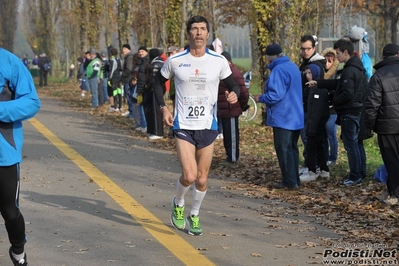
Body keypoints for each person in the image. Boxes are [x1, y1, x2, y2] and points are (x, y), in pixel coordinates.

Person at [153, 15, 239, 236]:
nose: (199, 33)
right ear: (189, 33)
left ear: (208, 34)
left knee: (202, 178)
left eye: (202, 29)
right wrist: (163, 107)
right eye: (194, 29)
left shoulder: (218, 61)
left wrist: (234, 95)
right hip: (183, 125)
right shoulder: (176, 60)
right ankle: (179, 203)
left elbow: (234, 85)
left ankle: (195, 213)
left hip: (208, 125)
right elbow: (157, 82)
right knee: (189, 176)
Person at [307, 38, 368, 186]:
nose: (337, 57)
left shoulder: (349, 70)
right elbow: (338, 83)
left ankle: (354, 176)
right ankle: (361, 172)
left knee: (350, 145)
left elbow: (347, 93)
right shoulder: (358, 68)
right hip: (358, 110)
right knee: (357, 143)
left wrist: (333, 101)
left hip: (349, 112)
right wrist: (320, 83)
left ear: (346, 52)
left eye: (338, 53)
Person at [0, 47, 41, 266]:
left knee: (9, 211)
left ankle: (18, 251)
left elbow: (31, 102)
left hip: (3, 153)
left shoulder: (7, 61)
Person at [254, 44, 303, 189]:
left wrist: (261, 98)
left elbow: (276, 95)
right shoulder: (293, 66)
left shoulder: (278, 70)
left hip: (283, 117)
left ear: (269, 59)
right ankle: (295, 179)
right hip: (296, 116)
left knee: (283, 150)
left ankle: (289, 181)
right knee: (292, 149)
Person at [364, 43, 399, 205]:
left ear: (383, 57)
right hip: (390, 125)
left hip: (387, 126)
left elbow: (371, 105)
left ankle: (395, 194)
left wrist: (367, 127)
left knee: (391, 161)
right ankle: (391, 190)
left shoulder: (378, 76)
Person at [298, 35, 326, 175]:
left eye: (308, 48)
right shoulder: (304, 63)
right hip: (305, 105)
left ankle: (313, 167)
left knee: (311, 139)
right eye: (303, 49)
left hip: (313, 107)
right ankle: (314, 165)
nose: (305, 51)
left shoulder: (317, 64)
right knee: (309, 138)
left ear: (314, 48)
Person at [300, 64, 330, 181]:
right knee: (319, 147)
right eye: (306, 73)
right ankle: (323, 169)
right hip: (314, 122)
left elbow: (317, 110)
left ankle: (311, 170)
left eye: (310, 73)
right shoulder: (310, 89)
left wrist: (312, 125)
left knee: (312, 146)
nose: (307, 76)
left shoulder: (319, 89)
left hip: (317, 123)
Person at [218, 51, 249, 163]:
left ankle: (233, 158)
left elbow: (243, 92)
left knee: (232, 135)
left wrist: (243, 105)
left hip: (231, 108)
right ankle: (229, 155)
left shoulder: (234, 73)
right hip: (224, 108)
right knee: (227, 135)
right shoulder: (222, 72)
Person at [321, 47, 341, 166]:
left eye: (330, 61)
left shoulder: (337, 75)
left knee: (331, 133)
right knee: (323, 134)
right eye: (326, 61)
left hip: (333, 109)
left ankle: (333, 157)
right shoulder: (320, 73)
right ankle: (325, 156)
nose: (327, 64)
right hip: (322, 108)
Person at [144, 48, 165, 140]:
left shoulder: (156, 64)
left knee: (156, 111)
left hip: (155, 90)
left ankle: (158, 132)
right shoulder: (160, 62)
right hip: (157, 89)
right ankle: (153, 131)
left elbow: (154, 79)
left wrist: (147, 87)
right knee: (153, 110)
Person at [107, 47, 123, 112]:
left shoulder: (112, 60)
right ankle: (120, 106)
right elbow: (121, 68)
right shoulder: (119, 59)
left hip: (114, 78)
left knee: (114, 92)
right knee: (119, 91)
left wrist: (109, 79)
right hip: (119, 77)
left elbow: (112, 70)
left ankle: (115, 107)